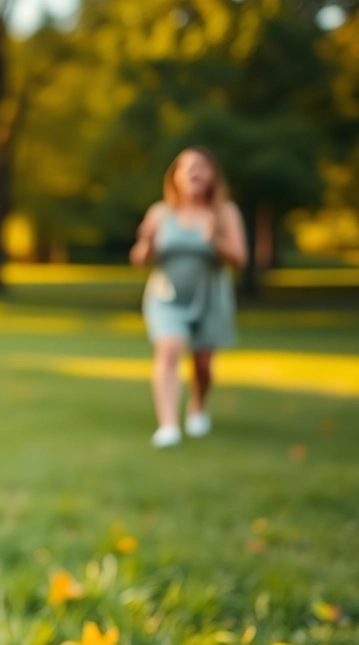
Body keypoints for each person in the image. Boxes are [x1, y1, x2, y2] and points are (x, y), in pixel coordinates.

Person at [130, 147, 248, 448]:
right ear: (176, 176)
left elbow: (240, 259)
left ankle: (198, 406)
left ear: (213, 176)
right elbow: (140, 260)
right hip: (166, 297)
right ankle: (168, 425)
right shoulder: (160, 212)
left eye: (202, 167)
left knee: (203, 364)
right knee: (169, 350)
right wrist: (145, 242)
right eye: (188, 167)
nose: (195, 172)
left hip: (210, 297)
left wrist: (216, 240)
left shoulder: (224, 212)